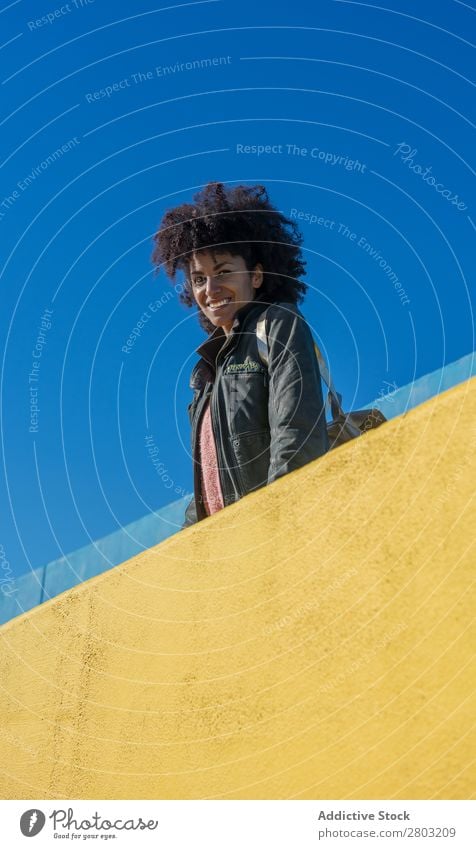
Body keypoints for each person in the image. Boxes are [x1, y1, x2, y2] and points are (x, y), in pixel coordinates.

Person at [152, 181, 329, 527]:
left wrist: (275, 522)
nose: (210, 289)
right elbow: (209, 484)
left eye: (223, 272)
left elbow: (297, 433)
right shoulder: (205, 373)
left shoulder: (277, 323)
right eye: (199, 278)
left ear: (257, 275)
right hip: (234, 552)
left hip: (277, 532)